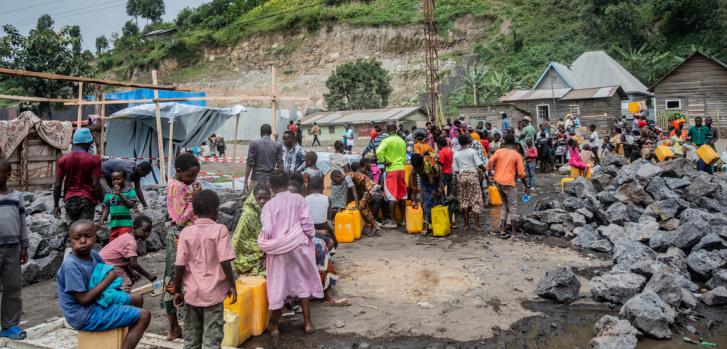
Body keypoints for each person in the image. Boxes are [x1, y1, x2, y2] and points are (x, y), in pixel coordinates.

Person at [56, 220, 150, 348]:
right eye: (77, 238)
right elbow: (83, 299)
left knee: (137, 299)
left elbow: (106, 272)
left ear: (95, 237)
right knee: (144, 316)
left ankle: (123, 340)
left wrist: (115, 281)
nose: (83, 241)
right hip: (83, 314)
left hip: (97, 300)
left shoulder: (93, 255)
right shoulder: (71, 266)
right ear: (70, 240)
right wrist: (110, 279)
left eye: (88, 236)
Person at [258, 172, 324, 336]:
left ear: (271, 187)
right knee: (301, 281)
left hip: (279, 249)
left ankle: (274, 326)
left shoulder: (269, 206)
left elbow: (267, 230)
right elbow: (307, 224)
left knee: (277, 284)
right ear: (288, 182)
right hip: (298, 246)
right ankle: (308, 323)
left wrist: (266, 242)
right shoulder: (299, 199)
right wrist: (308, 237)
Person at [172, 190, 236, 349]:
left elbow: (179, 265)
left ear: (194, 211)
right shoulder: (220, 230)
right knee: (212, 340)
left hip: (191, 293)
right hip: (213, 294)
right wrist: (232, 285)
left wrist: (177, 290)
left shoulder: (186, 232)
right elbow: (225, 261)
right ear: (216, 210)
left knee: (191, 339)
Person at [163, 153, 201, 341]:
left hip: (186, 236)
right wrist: (195, 198)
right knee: (175, 280)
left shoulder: (181, 184)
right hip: (180, 238)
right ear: (179, 171)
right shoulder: (177, 188)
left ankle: (179, 326)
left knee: (183, 279)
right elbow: (179, 219)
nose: (193, 179)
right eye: (190, 176)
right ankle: (174, 327)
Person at [0, 160, 29, 340]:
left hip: (12, 248)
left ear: (8, 174)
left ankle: (10, 325)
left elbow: (22, 223)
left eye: (1, 172)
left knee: (12, 287)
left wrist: (24, 245)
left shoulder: (16, 196)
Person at [53, 128, 103, 222]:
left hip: (69, 200)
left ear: (75, 142)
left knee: (73, 232)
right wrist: (103, 201)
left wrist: (56, 205)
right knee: (85, 231)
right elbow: (95, 184)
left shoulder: (63, 159)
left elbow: (57, 184)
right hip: (87, 199)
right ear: (89, 143)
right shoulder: (94, 160)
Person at [99, 216, 156, 290]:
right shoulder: (131, 242)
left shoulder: (127, 236)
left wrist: (131, 272)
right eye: (144, 231)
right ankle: (123, 300)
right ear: (134, 228)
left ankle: (116, 293)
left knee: (132, 276)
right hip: (107, 265)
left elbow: (125, 260)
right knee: (126, 283)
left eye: (149, 231)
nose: (147, 234)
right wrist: (148, 275)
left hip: (104, 263)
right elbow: (134, 264)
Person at [486, 134, 527, 239]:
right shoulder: (516, 155)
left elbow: (490, 161)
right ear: (514, 143)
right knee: (513, 207)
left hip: (498, 181)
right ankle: (513, 233)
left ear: (504, 141)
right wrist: (526, 185)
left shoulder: (499, 151)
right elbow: (521, 173)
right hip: (509, 183)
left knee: (504, 205)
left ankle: (503, 230)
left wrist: (490, 172)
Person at [232, 185, 270, 276]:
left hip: (264, 248)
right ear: (253, 198)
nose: (262, 201)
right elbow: (237, 238)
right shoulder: (248, 214)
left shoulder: (269, 211)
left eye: (265, 199)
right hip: (249, 253)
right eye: (259, 198)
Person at [376, 123, 408, 228]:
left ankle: (393, 222)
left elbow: (378, 151)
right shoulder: (402, 140)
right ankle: (403, 220)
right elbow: (404, 156)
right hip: (401, 169)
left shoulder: (387, 140)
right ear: (396, 129)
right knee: (403, 194)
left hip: (391, 169)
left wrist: (384, 161)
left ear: (387, 129)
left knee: (392, 196)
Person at [453, 134, 486, 231]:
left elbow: (456, 170)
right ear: (468, 142)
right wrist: (485, 169)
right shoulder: (472, 151)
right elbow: (479, 164)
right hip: (473, 177)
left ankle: (466, 225)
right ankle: (477, 225)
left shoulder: (456, 154)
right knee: (476, 199)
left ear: (459, 143)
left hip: (462, 177)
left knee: (464, 200)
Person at [337, 169, 381, 236]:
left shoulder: (347, 178)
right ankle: (373, 226)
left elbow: (354, 191)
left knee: (361, 207)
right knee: (365, 208)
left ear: (338, 176)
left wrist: (357, 206)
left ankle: (374, 226)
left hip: (369, 188)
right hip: (369, 187)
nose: (337, 182)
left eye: (336, 180)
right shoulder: (347, 175)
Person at [99, 170, 139, 241]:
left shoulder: (130, 191)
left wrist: (120, 194)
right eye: (113, 179)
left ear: (125, 179)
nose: (115, 181)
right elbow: (106, 208)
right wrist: (103, 219)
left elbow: (130, 205)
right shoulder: (109, 194)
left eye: (118, 179)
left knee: (123, 242)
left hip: (126, 224)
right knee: (113, 243)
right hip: (113, 224)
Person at [409, 153, 443, 233]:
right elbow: (413, 185)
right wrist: (414, 198)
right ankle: (426, 227)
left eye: (419, 169)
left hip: (435, 178)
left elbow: (439, 174)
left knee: (436, 201)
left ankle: (438, 223)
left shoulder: (430, 164)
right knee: (425, 202)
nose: (418, 170)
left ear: (422, 164)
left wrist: (439, 187)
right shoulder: (414, 168)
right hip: (425, 181)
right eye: (416, 169)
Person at [245, 124, 283, 191]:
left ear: (260, 132)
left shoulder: (254, 144)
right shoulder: (277, 145)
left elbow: (249, 164)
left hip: (256, 179)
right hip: (270, 180)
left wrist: (245, 181)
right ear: (271, 133)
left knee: (253, 200)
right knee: (269, 200)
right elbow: (280, 164)